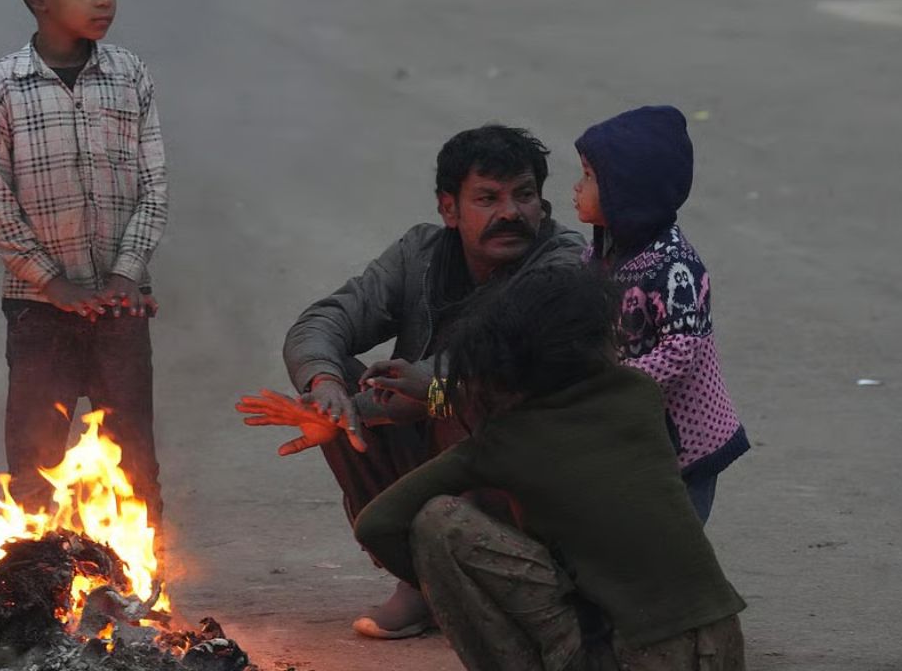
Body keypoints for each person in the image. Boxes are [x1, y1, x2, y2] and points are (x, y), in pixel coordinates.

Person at [239, 125, 586, 639]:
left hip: (529, 458)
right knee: (335, 411)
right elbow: (323, 322)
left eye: (524, 195)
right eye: (487, 198)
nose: (510, 212)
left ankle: (510, 586)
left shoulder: (562, 262)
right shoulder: (419, 254)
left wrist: (399, 402)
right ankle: (420, 581)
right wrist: (328, 389)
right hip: (438, 428)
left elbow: (495, 375)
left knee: (449, 405)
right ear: (450, 209)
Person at [354, 266, 747, 671]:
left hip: (634, 658)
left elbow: (375, 524)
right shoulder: (639, 393)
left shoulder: (502, 442)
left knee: (439, 521)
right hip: (721, 642)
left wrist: (442, 584)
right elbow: (550, 412)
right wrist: (438, 393)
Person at [0, 0, 168, 521]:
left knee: (135, 463)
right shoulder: (2, 85)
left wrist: (125, 274)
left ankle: (140, 594)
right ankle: (32, 594)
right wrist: (54, 284)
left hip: (120, 311)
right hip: (37, 311)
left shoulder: (130, 76)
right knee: (34, 468)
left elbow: (155, 183)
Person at [571, 105, 748, 522]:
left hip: (688, 441)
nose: (576, 188)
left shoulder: (675, 268)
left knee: (677, 535)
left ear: (626, 191)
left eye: (590, 178)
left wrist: (606, 382)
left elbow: (680, 351)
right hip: (634, 429)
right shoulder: (598, 256)